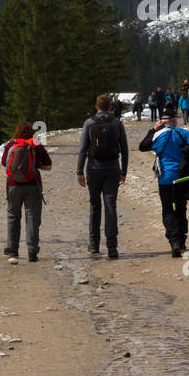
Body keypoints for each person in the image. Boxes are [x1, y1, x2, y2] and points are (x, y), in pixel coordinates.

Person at [138, 113, 189, 257]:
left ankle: (174, 240)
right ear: (175, 121)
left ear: (161, 123)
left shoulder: (158, 135)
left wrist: (153, 130)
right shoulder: (182, 133)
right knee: (181, 207)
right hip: (182, 176)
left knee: (168, 209)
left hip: (165, 178)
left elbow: (142, 147)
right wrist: (185, 153)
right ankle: (182, 241)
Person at [77, 94, 128, 259]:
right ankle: (112, 247)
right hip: (113, 168)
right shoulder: (117, 123)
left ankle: (93, 245)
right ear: (110, 107)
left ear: (96, 107)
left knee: (94, 206)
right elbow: (125, 150)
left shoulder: (89, 123)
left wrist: (79, 172)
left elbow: (83, 149)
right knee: (110, 206)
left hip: (93, 168)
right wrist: (124, 172)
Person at [0, 121, 52, 264]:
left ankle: (12, 249)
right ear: (31, 132)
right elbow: (49, 165)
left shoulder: (11, 144)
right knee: (32, 218)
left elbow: (4, 162)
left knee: (13, 216)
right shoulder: (35, 144)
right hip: (33, 185)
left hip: (13, 185)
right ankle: (32, 252)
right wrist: (35, 165)